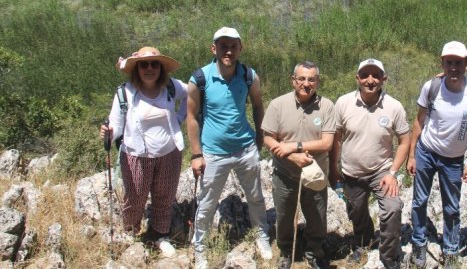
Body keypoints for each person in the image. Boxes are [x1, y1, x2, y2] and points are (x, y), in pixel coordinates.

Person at [186, 27, 271, 269]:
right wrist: (196, 154)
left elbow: (257, 106)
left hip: (245, 148)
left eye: (233, 46)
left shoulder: (248, 76)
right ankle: (200, 247)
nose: (229, 51)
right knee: (207, 202)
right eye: (223, 46)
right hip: (213, 152)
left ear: (240, 48)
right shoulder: (199, 79)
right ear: (214, 49)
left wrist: (259, 137)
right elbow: (191, 117)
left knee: (255, 197)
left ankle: (262, 237)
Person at [406, 41, 467, 268]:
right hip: (427, 152)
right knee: (419, 202)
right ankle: (419, 245)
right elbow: (419, 121)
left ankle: (451, 251)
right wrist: (412, 155)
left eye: (458, 63)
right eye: (449, 63)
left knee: (452, 207)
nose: (454, 68)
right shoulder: (431, 87)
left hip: (454, 159)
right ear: (442, 64)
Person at [100, 46, 187, 257]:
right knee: (135, 197)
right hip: (136, 155)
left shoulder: (172, 87)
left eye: (155, 64)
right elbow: (116, 123)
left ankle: (160, 235)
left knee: (165, 196)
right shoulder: (125, 92)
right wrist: (108, 131)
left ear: (161, 67)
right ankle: (131, 230)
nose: (150, 68)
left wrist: (179, 118)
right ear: (136, 68)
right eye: (144, 64)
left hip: (169, 152)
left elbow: (191, 94)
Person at [329, 58, 410, 269]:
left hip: (382, 172)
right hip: (352, 173)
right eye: (365, 75)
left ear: (384, 79)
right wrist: (333, 169)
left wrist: (392, 173)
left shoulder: (394, 107)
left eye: (376, 75)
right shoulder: (344, 103)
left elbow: (405, 141)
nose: (370, 80)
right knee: (357, 212)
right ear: (357, 78)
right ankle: (364, 243)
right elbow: (336, 138)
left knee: (393, 208)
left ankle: (389, 255)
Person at [261, 61, 335, 269]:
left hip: (315, 173)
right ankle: (286, 251)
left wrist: (294, 146)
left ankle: (314, 250)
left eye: (311, 79)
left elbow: (327, 143)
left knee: (317, 215)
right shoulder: (278, 104)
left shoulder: (327, 106)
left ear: (317, 82)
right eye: (301, 78)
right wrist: (291, 157)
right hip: (285, 172)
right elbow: (268, 138)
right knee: (284, 214)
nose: (306, 83)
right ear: (293, 81)